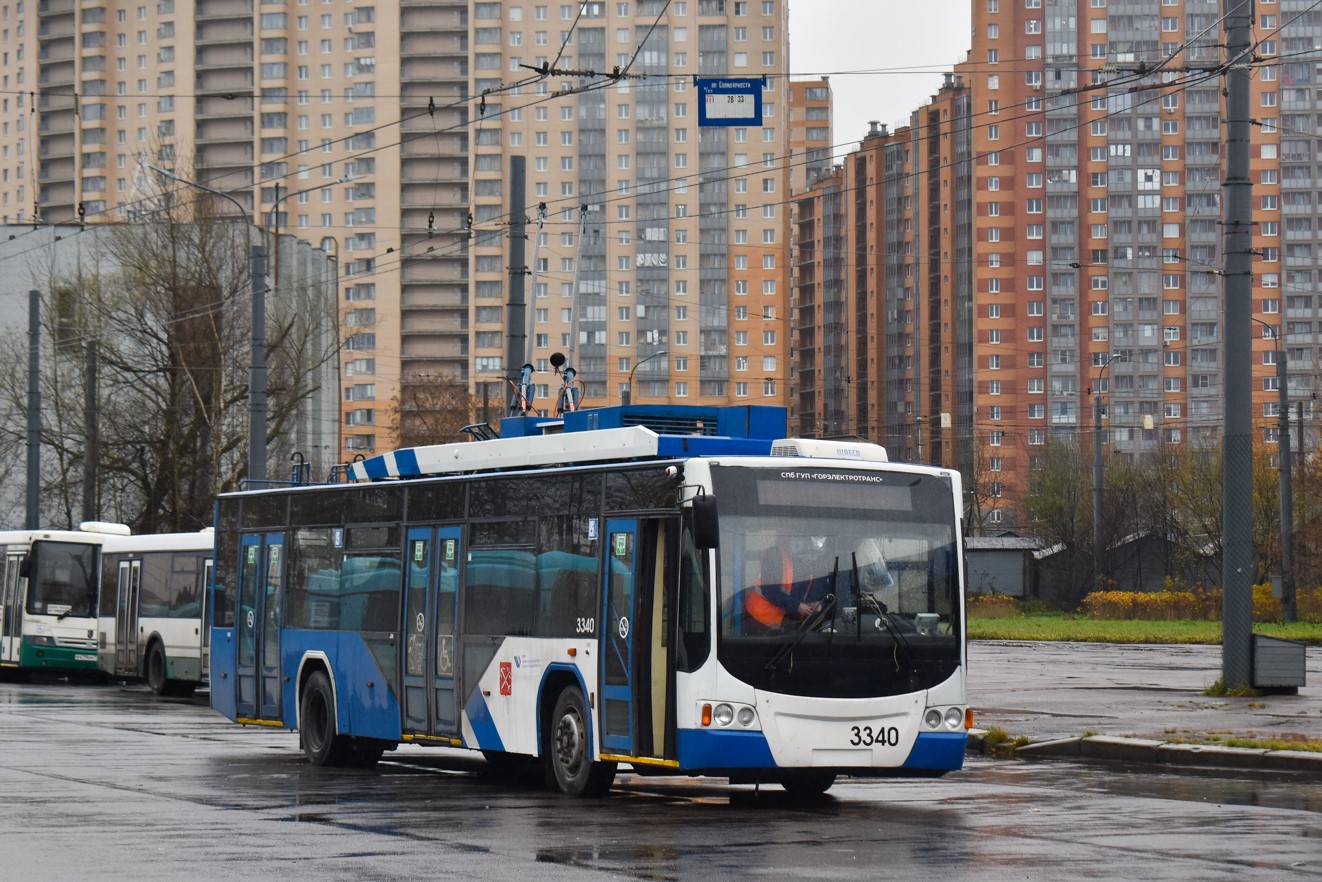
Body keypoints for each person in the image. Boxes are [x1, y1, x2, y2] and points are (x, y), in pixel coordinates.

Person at [744, 541, 831, 631]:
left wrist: (817, 603)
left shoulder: (816, 560)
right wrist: (796, 606)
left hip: (785, 622)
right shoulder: (774, 554)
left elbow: (818, 588)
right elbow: (769, 589)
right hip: (759, 617)